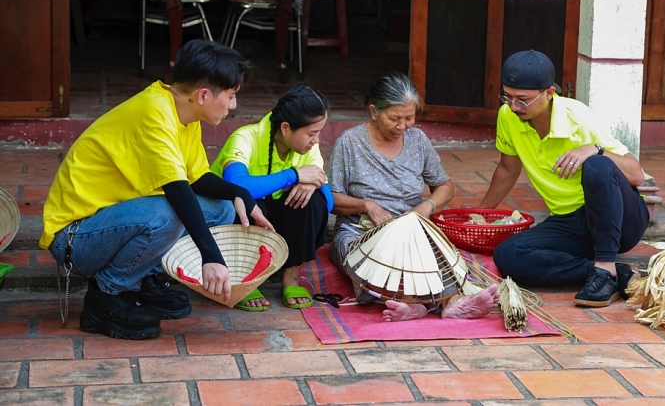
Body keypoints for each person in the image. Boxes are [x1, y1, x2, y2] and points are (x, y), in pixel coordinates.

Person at [41, 39, 273, 340]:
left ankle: (142, 279)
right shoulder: (154, 113)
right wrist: (212, 257)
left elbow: (196, 178)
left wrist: (240, 194)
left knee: (223, 207)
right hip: (74, 239)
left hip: (110, 224)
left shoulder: (186, 114)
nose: (233, 106)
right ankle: (107, 295)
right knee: (169, 213)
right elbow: (178, 192)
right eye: (230, 96)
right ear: (203, 95)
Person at [478, 50, 650, 308]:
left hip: (622, 219)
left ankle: (605, 269)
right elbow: (507, 169)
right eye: (507, 97)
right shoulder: (508, 116)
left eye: (522, 100)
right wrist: (479, 214)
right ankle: (611, 272)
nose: (514, 107)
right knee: (508, 255)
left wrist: (594, 148)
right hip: (570, 222)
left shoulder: (578, 117)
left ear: (548, 93)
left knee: (598, 165)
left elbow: (636, 175)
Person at [327, 72, 500, 322]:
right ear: (374, 112)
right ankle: (421, 304)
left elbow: (445, 186)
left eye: (410, 118)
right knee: (371, 262)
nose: (403, 126)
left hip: (411, 227)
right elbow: (331, 198)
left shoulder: (417, 140)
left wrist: (426, 206)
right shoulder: (350, 142)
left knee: (433, 252)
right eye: (395, 118)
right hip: (360, 231)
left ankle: (447, 303)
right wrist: (367, 205)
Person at [211, 83, 332, 310]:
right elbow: (236, 184)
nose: (316, 140)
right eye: (312, 133)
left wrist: (313, 186)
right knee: (248, 201)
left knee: (314, 200)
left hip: (274, 222)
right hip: (229, 220)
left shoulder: (307, 147)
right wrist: (294, 175)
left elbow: (329, 203)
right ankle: (244, 277)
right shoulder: (246, 137)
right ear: (286, 128)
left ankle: (291, 276)